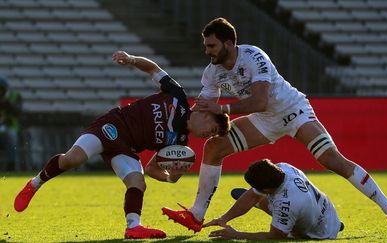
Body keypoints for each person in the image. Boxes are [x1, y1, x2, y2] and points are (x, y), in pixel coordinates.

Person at [161, 17, 387, 236]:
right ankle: (196, 215)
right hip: (264, 120)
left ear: (228, 43)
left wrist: (224, 110)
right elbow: (206, 108)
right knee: (214, 147)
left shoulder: (254, 57)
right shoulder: (212, 72)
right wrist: (183, 123)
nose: (207, 51)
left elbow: (259, 100)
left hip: (293, 111)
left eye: (211, 45)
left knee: (332, 160)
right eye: (205, 46)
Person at [14, 51, 230, 239]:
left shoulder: (181, 143)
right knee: (73, 159)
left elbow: (155, 169)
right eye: (212, 129)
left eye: (213, 135)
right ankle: (35, 183)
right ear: (205, 113)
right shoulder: (178, 96)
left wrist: (172, 176)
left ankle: (133, 227)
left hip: (127, 149)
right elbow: (154, 69)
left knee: (138, 182)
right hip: (114, 125)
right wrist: (132, 59)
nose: (208, 135)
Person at [204, 159, 343, 240]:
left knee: (272, 206)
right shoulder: (283, 167)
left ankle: (261, 203)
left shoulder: (286, 203)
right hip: (329, 210)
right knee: (256, 197)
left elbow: (276, 235)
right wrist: (224, 218)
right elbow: (253, 194)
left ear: (266, 190)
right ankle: (335, 224)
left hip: (322, 233)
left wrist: (237, 234)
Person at [0, 76, 22, 171]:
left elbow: (18, 112)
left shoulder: (14, 95)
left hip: (10, 126)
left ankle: (11, 167)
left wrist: (6, 103)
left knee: (11, 139)